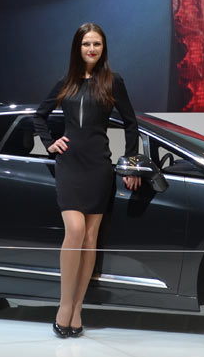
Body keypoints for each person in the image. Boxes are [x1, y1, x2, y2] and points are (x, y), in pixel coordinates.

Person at [34, 23, 141, 338]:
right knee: (76, 231)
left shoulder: (113, 81)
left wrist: (132, 165)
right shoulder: (65, 82)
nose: (91, 49)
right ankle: (64, 306)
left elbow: (132, 124)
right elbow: (38, 116)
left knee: (91, 238)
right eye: (86, 44)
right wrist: (50, 142)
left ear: (103, 48)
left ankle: (78, 309)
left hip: (98, 166)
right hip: (70, 165)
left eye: (96, 44)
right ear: (77, 48)